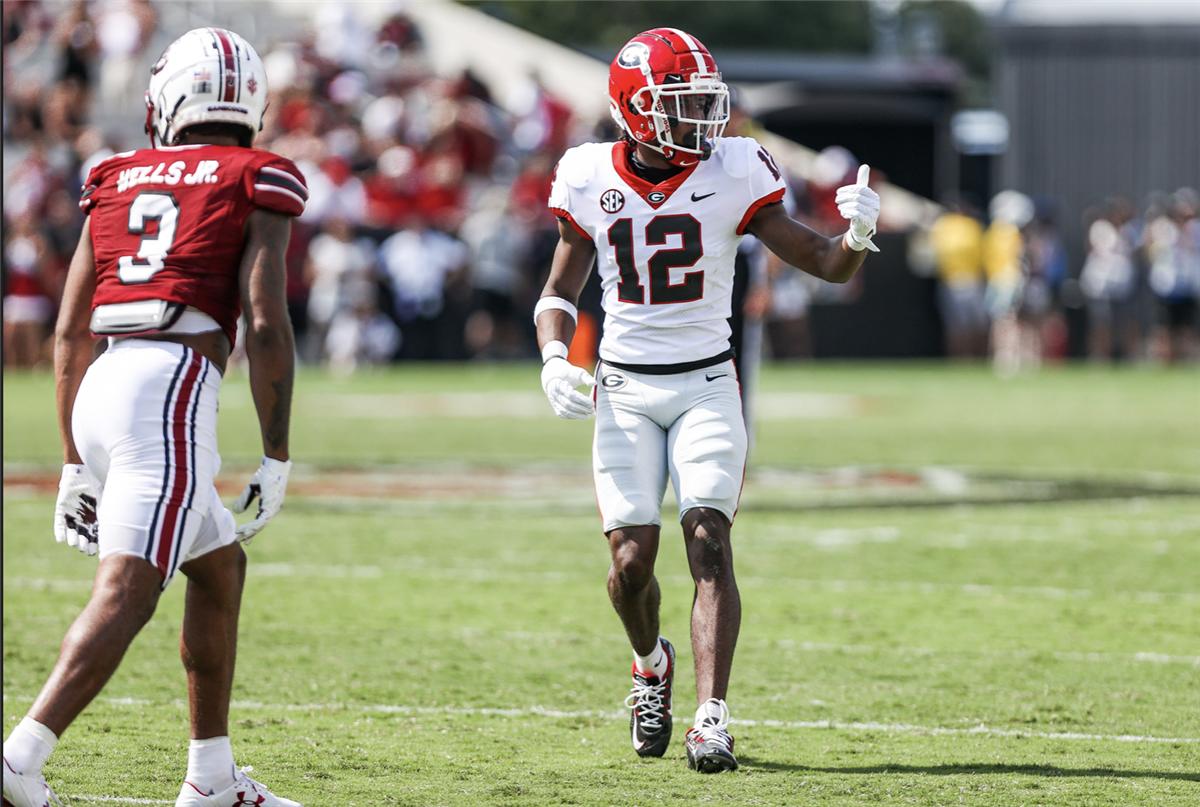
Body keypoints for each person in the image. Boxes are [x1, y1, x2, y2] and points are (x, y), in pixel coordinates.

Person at [534, 28, 880, 773]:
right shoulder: (588, 172)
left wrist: (856, 231)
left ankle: (712, 715)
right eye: (682, 105)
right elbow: (559, 290)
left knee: (708, 542)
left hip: (707, 383)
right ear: (635, 111)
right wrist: (554, 356)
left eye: (703, 102)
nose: (701, 120)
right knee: (630, 563)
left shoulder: (735, 167)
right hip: (624, 389)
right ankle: (649, 664)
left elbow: (822, 260)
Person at [3, 28, 305, 807]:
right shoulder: (257, 174)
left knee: (217, 564)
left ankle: (210, 779)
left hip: (106, 380)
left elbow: (71, 329)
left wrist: (74, 456)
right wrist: (276, 451)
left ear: (170, 98)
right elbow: (266, 323)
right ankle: (17, 760)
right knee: (129, 589)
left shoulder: (115, 173)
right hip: (169, 389)